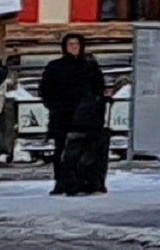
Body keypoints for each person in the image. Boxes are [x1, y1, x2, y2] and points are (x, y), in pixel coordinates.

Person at [39, 36, 112, 198]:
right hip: (62, 116)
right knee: (61, 150)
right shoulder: (55, 67)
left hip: (87, 117)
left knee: (85, 151)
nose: (74, 47)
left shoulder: (90, 67)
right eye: (70, 44)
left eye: (76, 44)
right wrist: (55, 106)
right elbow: (45, 90)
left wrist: (94, 106)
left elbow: (99, 89)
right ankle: (61, 182)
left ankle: (84, 181)